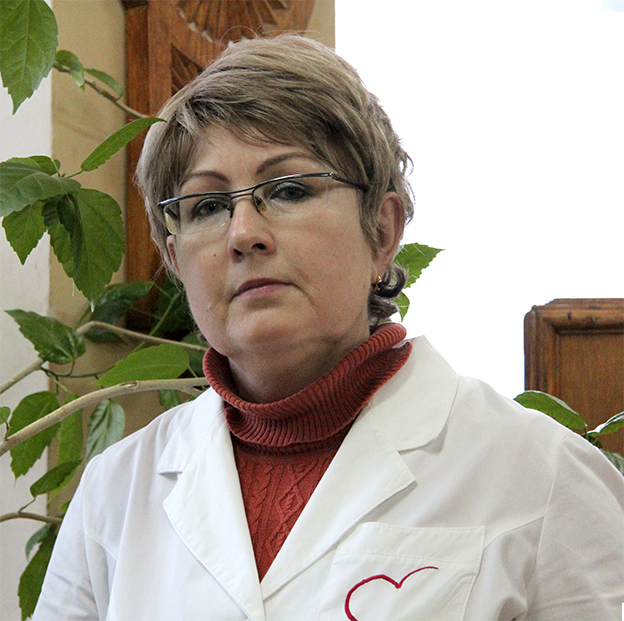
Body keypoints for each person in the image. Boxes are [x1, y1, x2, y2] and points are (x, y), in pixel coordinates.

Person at [34, 34, 623, 621]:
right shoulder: (116, 489)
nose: (243, 234)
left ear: (382, 232)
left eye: (288, 190)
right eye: (207, 206)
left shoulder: (540, 474)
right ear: (175, 258)